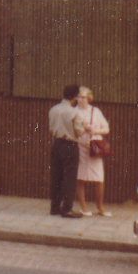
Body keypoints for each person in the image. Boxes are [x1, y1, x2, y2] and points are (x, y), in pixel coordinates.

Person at [75, 87, 111, 216]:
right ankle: (83, 207)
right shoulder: (74, 112)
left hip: (95, 147)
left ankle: (100, 207)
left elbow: (106, 129)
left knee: (98, 177)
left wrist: (94, 131)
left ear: (89, 98)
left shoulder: (95, 111)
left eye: (83, 97)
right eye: (79, 97)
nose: (81, 99)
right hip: (80, 146)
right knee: (81, 177)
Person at [48, 84, 83, 217]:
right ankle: (67, 208)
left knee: (56, 175)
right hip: (70, 145)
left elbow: (51, 129)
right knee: (69, 177)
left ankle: (54, 207)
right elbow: (79, 131)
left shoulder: (53, 110)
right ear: (75, 97)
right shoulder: (74, 112)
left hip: (57, 144)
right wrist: (84, 126)